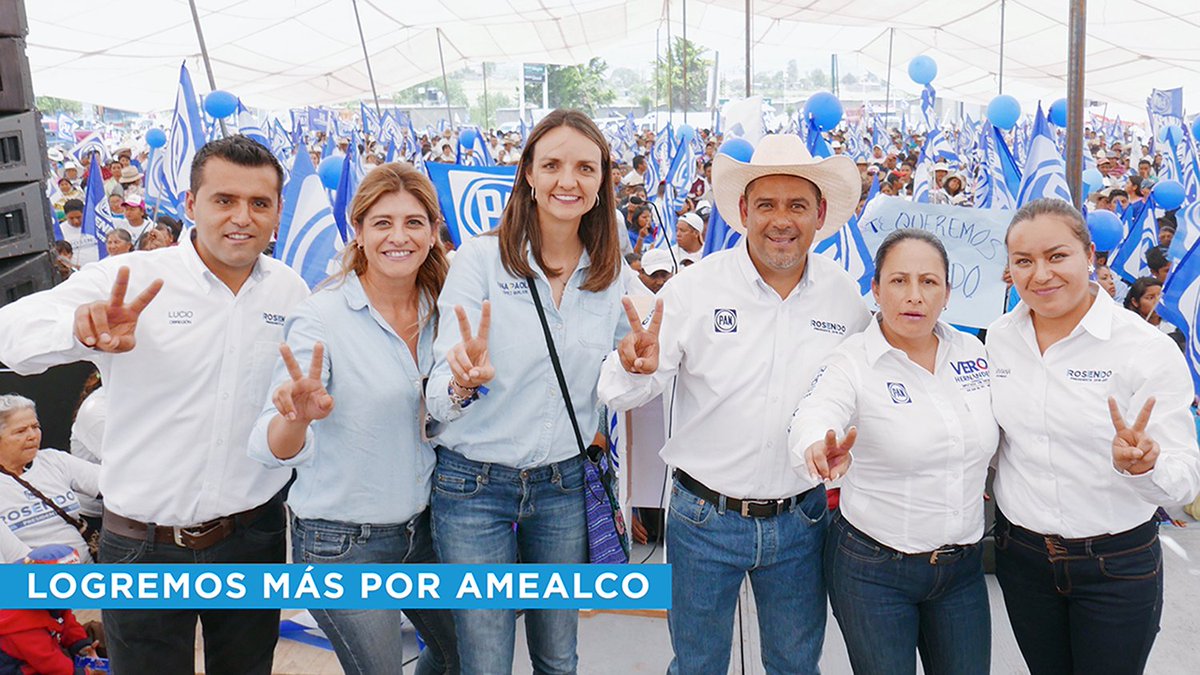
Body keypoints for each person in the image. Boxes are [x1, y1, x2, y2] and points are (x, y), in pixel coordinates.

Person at [0, 135, 310, 674]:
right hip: (143, 545)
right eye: (224, 200)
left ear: (278, 212)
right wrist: (78, 329)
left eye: (259, 203)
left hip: (253, 536)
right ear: (191, 205)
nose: (242, 217)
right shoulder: (133, 280)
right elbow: (11, 332)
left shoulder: (290, 289)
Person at [598, 133, 871, 674]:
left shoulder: (847, 298)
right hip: (703, 520)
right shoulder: (693, 290)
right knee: (697, 665)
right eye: (766, 204)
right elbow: (622, 389)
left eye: (797, 206)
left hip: (802, 519)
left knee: (795, 666)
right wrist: (632, 365)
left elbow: (855, 400)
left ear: (820, 215)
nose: (781, 220)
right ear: (744, 211)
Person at [425, 109, 627, 674]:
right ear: (529, 176)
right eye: (554, 164)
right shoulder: (478, 260)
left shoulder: (612, 273)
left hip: (563, 487)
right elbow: (438, 395)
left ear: (602, 181)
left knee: (559, 658)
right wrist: (462, 383)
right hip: (473, 489)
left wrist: (638, 366)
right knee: (486, 660)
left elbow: (636, 370)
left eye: (586, 167)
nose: (570, 180)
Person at [249, 163, 459, 675]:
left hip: (427, 531)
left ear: (434, 233)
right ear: (358, 232)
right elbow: (266, 443)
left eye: (414, 222)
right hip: (342, 544)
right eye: (382, 222)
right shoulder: (321, 316)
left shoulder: (446, 309)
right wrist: (297, 417)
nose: (398, 236)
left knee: (467, 656)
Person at [988, 198, 1200, 675]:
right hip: (1021, 560)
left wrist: (1146, 466)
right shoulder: (999, 337)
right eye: (1024, 261)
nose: (1040, 274)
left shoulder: (1144, 349)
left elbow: (1185, 479)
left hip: (1116, 566)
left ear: (1090, 256)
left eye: (1057, 256)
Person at [790, 229, 997, 675]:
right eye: (899, 281)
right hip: (873, 569)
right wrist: (817, 445)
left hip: (961, 569)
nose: (914, 296)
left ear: (947, 293)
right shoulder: (852, 361)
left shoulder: (975, 354)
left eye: (929, 282)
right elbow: (817, 410)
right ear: (876, 290)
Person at [0, 395, 100, 562]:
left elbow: (108, 485)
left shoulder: (53, 460)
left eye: (35, 426)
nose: (32, 435)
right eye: (21, 431)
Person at [55, 199, 100, 267]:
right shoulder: (60, 231)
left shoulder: (97, 225)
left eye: (78, 217)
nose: (75, 221)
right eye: (71, 218)